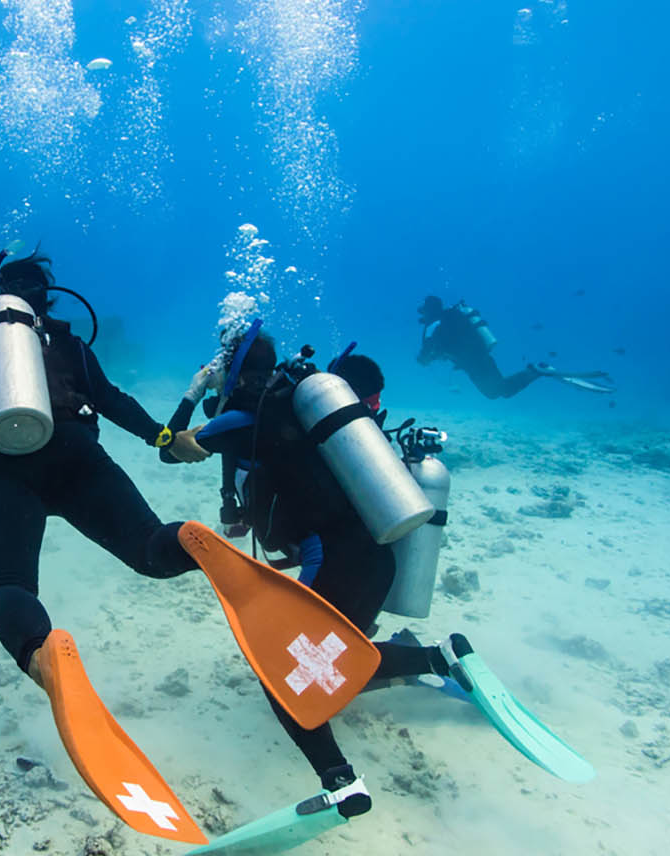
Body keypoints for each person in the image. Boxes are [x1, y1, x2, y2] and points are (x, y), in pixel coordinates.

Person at [177, 328, 464, 807]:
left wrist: (193, 391)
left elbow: (170, 446)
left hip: (337, 565)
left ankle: (339, 781)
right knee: (335, 663)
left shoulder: (245, 418)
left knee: (285, 671)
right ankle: (441, 657)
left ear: (231, 370)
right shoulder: (300, 408)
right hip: (375, 560)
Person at [0, 249, 206, 686]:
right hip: (74, 457)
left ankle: (40, 659)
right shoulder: (70, 345)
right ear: (46, 299)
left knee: (8, 586)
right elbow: (112, 401)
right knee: (150, 548)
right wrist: (166, 438)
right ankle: (205, 548)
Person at [416, 294, 613, 398]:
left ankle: (536, 370)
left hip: (474, 362)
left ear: (429, 310)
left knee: (497, 392)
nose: (422, 315)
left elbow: (425, 357)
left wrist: (425, 358)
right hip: (480, 357)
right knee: (499, 391)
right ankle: (535, 371)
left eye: (423, 311)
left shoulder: (434, 325)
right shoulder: (454, 316)